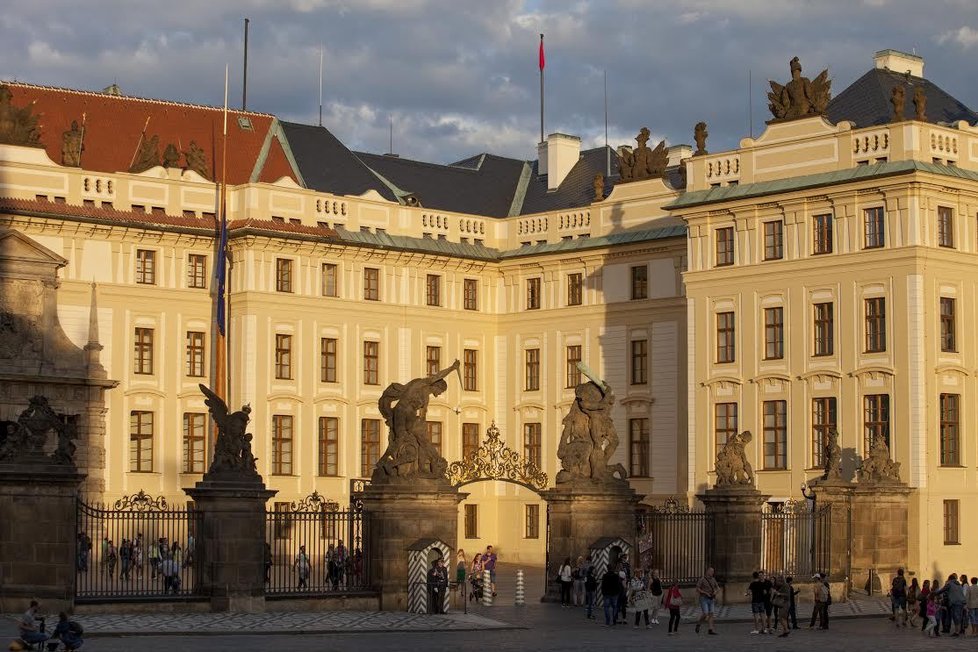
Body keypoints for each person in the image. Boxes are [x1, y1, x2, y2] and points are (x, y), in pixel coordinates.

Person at [694, 567, 719, 635]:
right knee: (705, 613)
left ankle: (710, 629)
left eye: (713, 572)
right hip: (704, 598)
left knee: (711, 613)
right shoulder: (702, 579)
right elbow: (697, 588)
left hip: (711, 598)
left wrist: (715, 592)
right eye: (711, 571)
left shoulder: (713, 579)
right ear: (707, 572)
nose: (712, 573)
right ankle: (699, 623)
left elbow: (718, 588)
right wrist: (705, 593)